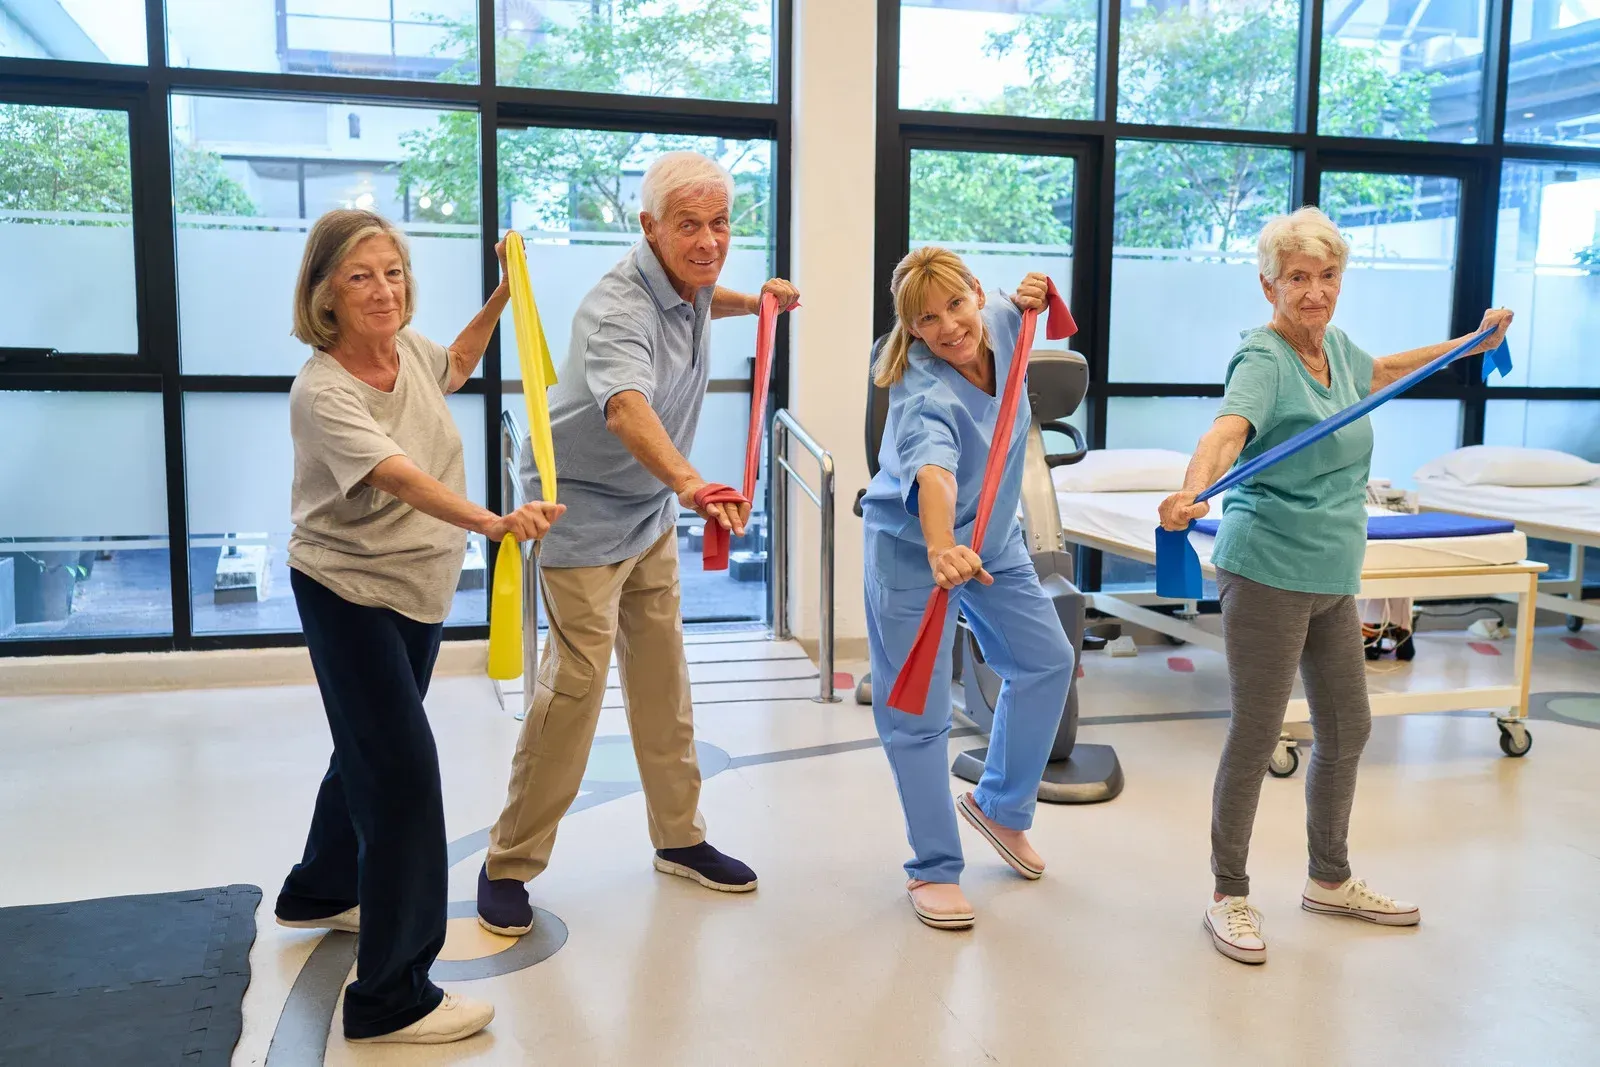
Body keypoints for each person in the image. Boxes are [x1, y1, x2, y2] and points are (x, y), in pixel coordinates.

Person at [1158, 206, 1512, 966]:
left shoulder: (1339, 351)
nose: (1313, 292)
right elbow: (1225, 432)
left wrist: (1472, 341)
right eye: (1297, 278)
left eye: (1327, 277)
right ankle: (1228, 893)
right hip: (1266, 569)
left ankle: (1329, 877)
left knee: (1348, 728)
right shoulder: (1263, 358)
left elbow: (1385, 372)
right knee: (1257, 735)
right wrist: (1194, 489)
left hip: (1330, 570)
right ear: (1269, 286)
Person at [477, 152, 800, 936]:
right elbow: (626, 409)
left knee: (663, 679)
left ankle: (680, 837)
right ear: (649, 227)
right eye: (689, 224)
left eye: (721, 223)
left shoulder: (684, 288)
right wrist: (693, 484)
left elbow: (698, 301)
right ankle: (508, 859)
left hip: (646, 508)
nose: (708, 240)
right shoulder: (618, 306)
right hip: (581, 512)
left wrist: (755, 302)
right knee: (576, 690)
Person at [274, 209, 564, 1044]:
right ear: (325, 292)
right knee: (401, 774)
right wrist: (494, 521)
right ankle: (392, 994)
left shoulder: (408, 354)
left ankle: (322, 888)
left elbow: (460, 362)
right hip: (347, 590)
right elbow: (397, 475)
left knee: (368, 749)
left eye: (392, 272)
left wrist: (506, 297)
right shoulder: (323, 388)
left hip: (415, 590)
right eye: (360, 275)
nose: (382, 289)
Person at [858, 247, 1074, 931]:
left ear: (977, 292)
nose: (950, 326)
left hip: (993, 532)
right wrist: (938, 545)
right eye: (928, 319)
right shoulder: (924, 394)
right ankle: (933, 867)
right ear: (912, 330)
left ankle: (1001, 805)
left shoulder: (1005, 321)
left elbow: (1052, 319)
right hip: (914, 550)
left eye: (956, 304)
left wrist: (1041, 289)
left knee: (1047, 661)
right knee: (916, 712)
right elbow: (933, 476)